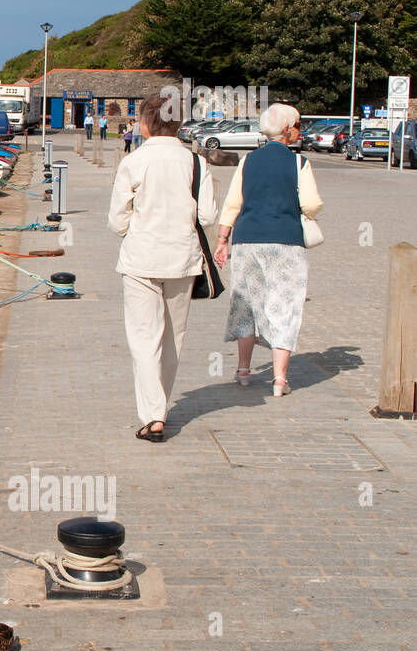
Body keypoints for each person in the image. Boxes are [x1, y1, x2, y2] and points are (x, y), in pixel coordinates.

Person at [108, 95, 218, 441]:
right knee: (173, 336)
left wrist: (134, 228)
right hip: (183, 259)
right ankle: (161, 408)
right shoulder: (196, 163)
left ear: (144, 124)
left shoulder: (134, 161)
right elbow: (209, 216)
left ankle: (153, 413)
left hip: (141, 257)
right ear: (179, 123)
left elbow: (116, 220)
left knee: (144, 337)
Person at [214, 103, 323, 397]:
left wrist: (223, 239)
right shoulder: (298, 163)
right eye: (298, 125)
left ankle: (244, 370)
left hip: (247, 238)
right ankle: (279, 378)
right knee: (285, 304)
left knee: (247, 302)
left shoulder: (247, 161)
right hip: (285, 240)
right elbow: (312, 204)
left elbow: (232, 203)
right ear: (287, 131)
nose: (300, 130)